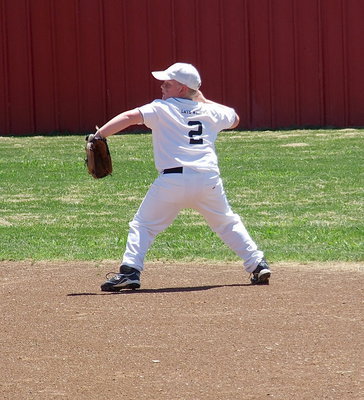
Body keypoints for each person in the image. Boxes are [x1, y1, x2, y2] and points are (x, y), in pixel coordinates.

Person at [95, 62, 271, 291]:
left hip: (173, 181)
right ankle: (257, 264)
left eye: (168, 83)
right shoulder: (211, 110)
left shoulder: (161, 108)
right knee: (227, 223)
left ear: (181, 88)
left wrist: (98, 135)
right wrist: (203, 101)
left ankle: (130, 271)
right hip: (207, 180)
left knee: (144, 225)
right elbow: (235, 119)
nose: (162, 87)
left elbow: (130, 117)